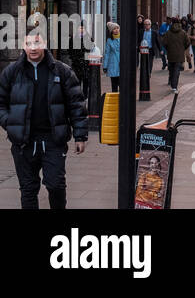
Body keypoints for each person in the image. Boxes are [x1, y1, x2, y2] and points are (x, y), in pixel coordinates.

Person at [0, 29, 89, 209]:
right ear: (23, 46)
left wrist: (80, 136)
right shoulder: (11, 72)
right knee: (28, 189)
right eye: (29, 44)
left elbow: (76, 104)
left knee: (55, 185)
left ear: (45, 44)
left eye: (37, 43)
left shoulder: (62, 71)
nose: (33, 48)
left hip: (53, 140)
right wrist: (10, 124)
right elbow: (1, 102)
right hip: (23, 142)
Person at [162, 21, 190, 92]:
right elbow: (188, 42)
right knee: (177, 71)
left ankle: (172, 83)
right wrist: (183, 48)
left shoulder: (168, 32)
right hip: (180, 55)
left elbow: (164, 43)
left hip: (171, 54)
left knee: (171, 69)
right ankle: (174, 86)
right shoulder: (183, 33)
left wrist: (168, 49)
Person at [104, 22, 121, 92]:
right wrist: (105, 66)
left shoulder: (123, 39)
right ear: (111, 31)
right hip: (113, 64)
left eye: (117, 28)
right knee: (114, 85)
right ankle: (115, 100)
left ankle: (122, 101)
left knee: (122, 84)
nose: (116, 30)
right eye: (114, 29)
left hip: (121, 64)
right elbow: (107, 53)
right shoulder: (109, 40)